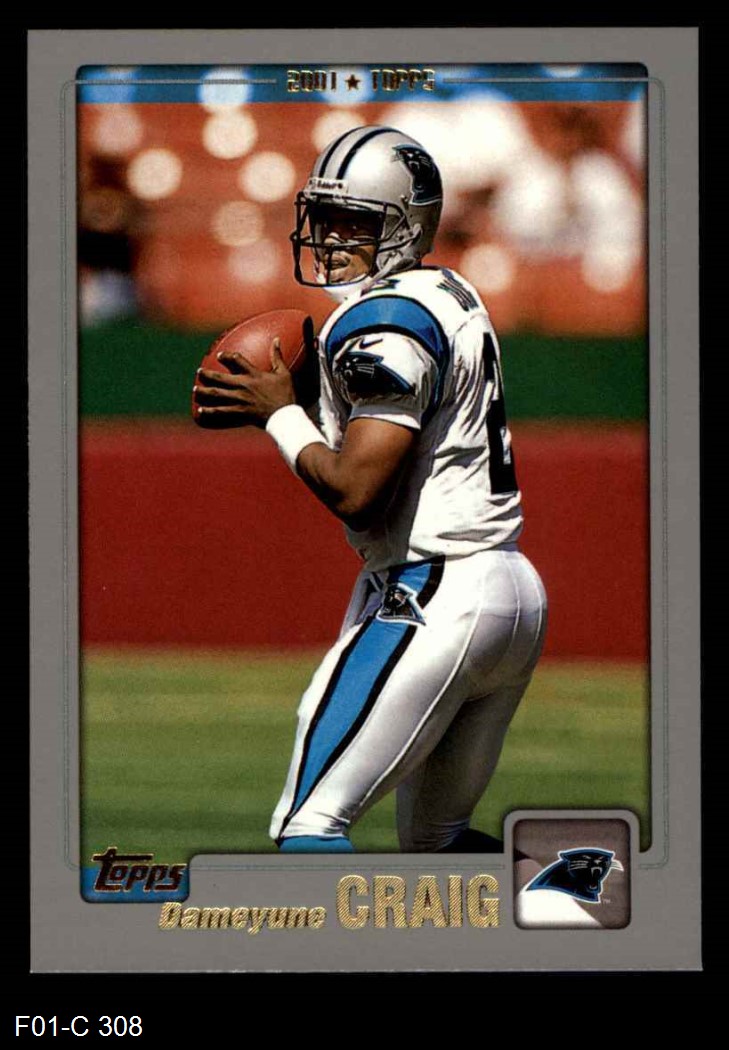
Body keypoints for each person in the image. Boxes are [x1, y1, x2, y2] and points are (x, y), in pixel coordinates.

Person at [194, 125, 547, 854]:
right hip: (508, 586)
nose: (330, 238)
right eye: (323, 217)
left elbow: (358, 491)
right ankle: (591, 909)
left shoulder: (382, 321)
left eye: (353, 221)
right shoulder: (448, 291)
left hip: (433, 590)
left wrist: (280, 414)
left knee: (308, 826)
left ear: (407, 225)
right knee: (437, 845)